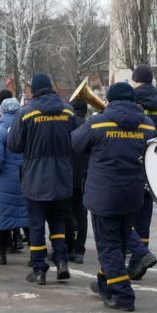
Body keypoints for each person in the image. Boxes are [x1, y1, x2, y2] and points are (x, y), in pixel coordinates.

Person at [72, 82, 157, 311]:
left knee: (108, 246)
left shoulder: (98, 122)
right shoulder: (148, 125)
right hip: (133, 194)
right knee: (119, 242)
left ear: (110, 100)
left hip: (104, 194)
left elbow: (76, 143)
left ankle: (123, 295)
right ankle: (105, 284)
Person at [8, 73, 77, 285]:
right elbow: (77, 141)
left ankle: (39, 269)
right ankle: (62, 260)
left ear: (34, 91)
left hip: (36, 177)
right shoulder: (68, 112)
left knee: (36, 225)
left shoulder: (26, 113)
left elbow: (14, 145)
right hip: (63, 176)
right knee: (57, 222)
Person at [126, 65, 157, 279]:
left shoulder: (131, 100)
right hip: (153, 164)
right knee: (144, 215)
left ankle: (136, 252)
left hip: (133, 159)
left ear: (135, 80)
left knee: (124, 214)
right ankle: (138, 259)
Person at [0, 98, 28, 265]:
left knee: (2, 217)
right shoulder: (27, 128)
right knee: (27, 216)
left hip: (4, 179)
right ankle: (36, 255)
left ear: (2, 112)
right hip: (25, 177)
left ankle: (1, 253)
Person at [68, 100, 90, 264]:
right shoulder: (90, 126)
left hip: (68, 176)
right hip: (84, 177)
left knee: (66, 215)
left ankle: (68, 248)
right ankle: (79, 251)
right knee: (82, 216)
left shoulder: (67, 124)